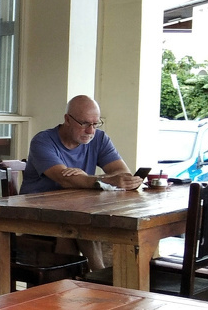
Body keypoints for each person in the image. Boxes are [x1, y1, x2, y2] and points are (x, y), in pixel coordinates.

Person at [20, 94, 142, 269]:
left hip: (74, 214)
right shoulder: (43, 141)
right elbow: (65, 180)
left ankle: (84, 284)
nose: (91, 131)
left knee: (89, 229)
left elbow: (123, 174)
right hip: (36, 215)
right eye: (84, 124)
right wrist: (103, 180)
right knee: (81, 230)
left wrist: (87, 177)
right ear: (67, 119)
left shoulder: (99, 139)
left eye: (95, 124)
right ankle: (99, 280)